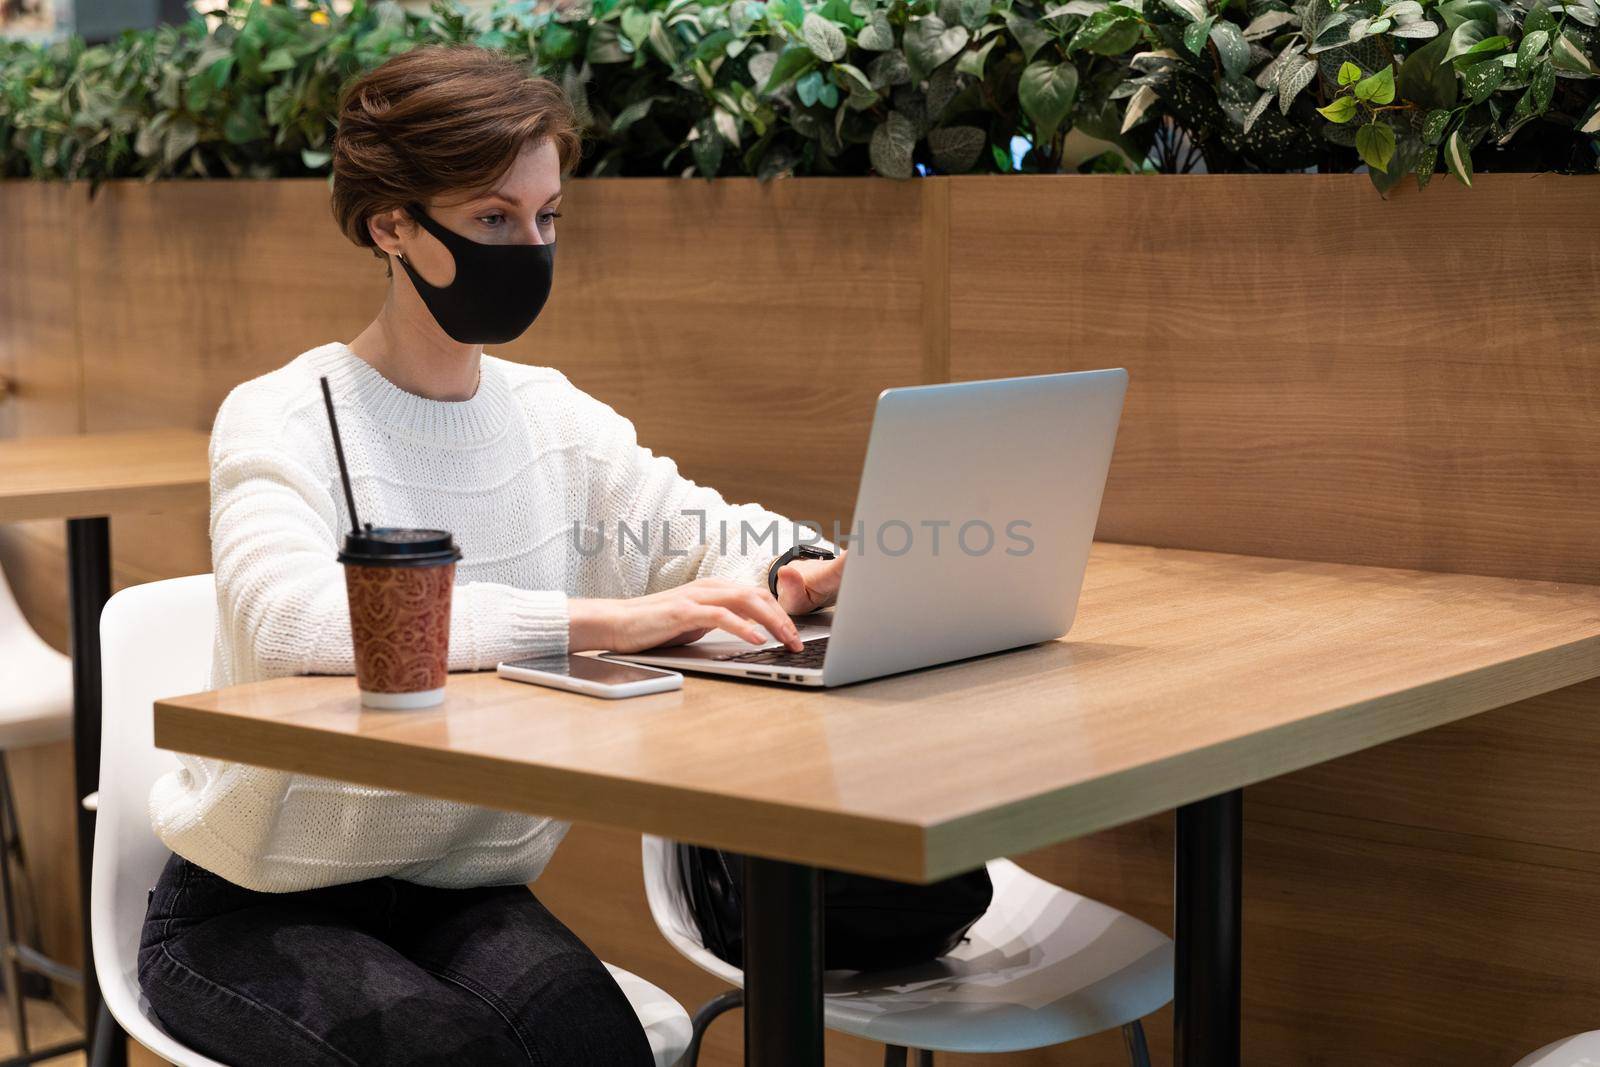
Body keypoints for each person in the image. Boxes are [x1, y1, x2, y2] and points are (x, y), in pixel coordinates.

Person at [138, 45, 844, 1067]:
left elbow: (693, 527)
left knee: (596, 1045)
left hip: (459, 887)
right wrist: (596, 621)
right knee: (448, 1053)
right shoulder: (284, 414)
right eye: (492, 219)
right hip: (248, 902)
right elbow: (288, 620)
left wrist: (813, 558)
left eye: (547, 215)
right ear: (392, 225)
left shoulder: (551, 417)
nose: (530, 244)